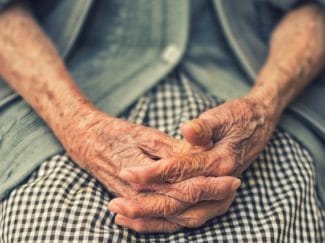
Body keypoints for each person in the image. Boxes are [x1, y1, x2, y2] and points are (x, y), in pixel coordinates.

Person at [0, 0, 324, 242]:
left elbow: (315, 11)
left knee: (277, 220)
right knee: (49, 226)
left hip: (258, 92)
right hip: (58, 98)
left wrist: (264, 107)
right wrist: (79, 126)